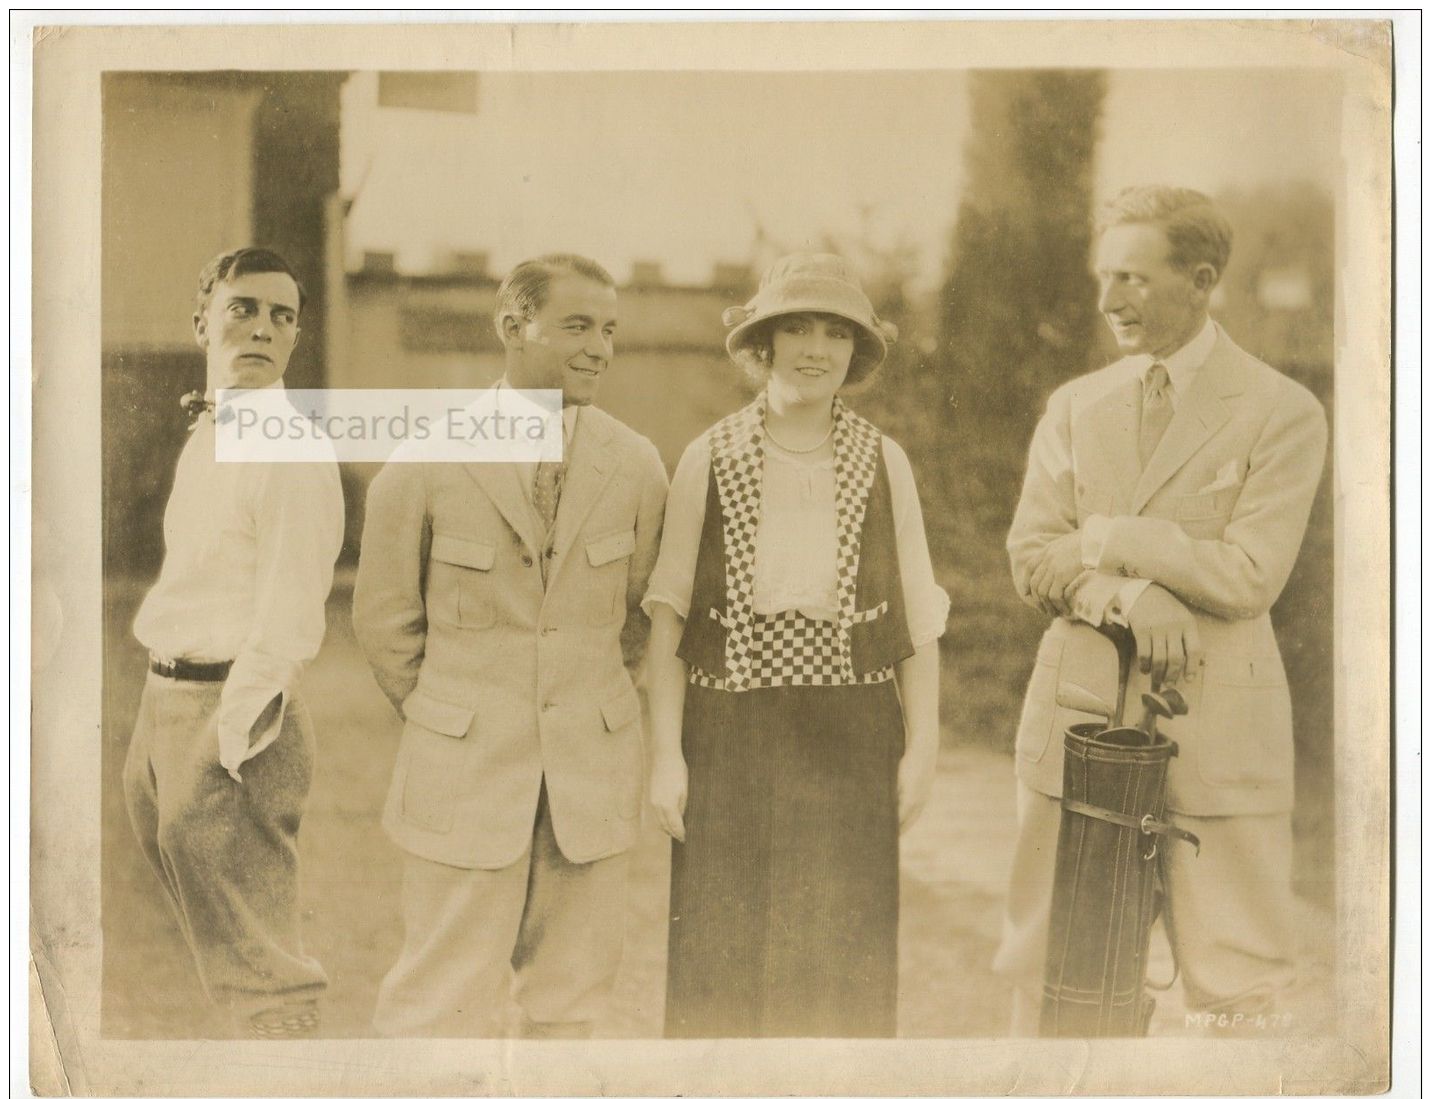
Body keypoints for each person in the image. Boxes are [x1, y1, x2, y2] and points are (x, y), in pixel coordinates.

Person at [996, 186, 1329, 1034]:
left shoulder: (1281, 411)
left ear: (1202, 279)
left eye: (1135, 279)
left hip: (1219, 729)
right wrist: (1126, 592)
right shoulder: (1075, 406)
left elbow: (1249, 574)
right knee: (1054, 980)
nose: (1111, 301)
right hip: (1080, 718)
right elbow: (1034, 556)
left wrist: (1108, 535)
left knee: (1238, 993)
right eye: (1106, 277)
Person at [353, 253, 669, 1038]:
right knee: (435, 1004)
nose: (598, 346)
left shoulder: (634, 466)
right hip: (462, 776)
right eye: (576, 326)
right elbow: (385, 620)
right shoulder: (426, 459)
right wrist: (452, 713)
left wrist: (583, 708)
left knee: (571, 1009)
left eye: (608, 329)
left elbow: (641, 621)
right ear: (512, 327)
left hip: (588, 786)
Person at [645, 253, 949, 1038]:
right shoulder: (708, 456)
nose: (815, 348)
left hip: (849, 732)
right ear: (764, 344)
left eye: (834, 332)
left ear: (854, 350)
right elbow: (669, 623)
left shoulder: (886, 461)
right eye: (795, 328)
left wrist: (921, 750)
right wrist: (666, 756)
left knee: (841, 958)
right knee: (721, 951)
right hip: (728, 729)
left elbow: (917, 622)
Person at [123, 246, 345, 1039]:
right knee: (218, 958)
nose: (263, 327)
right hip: (165, 704)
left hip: (234, 716)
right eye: (244, 307)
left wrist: (231, 744)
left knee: (263, 980)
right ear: (202, 321)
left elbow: (289, 621)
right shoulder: (211, 434)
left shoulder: (290, 448)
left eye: (282, 316)